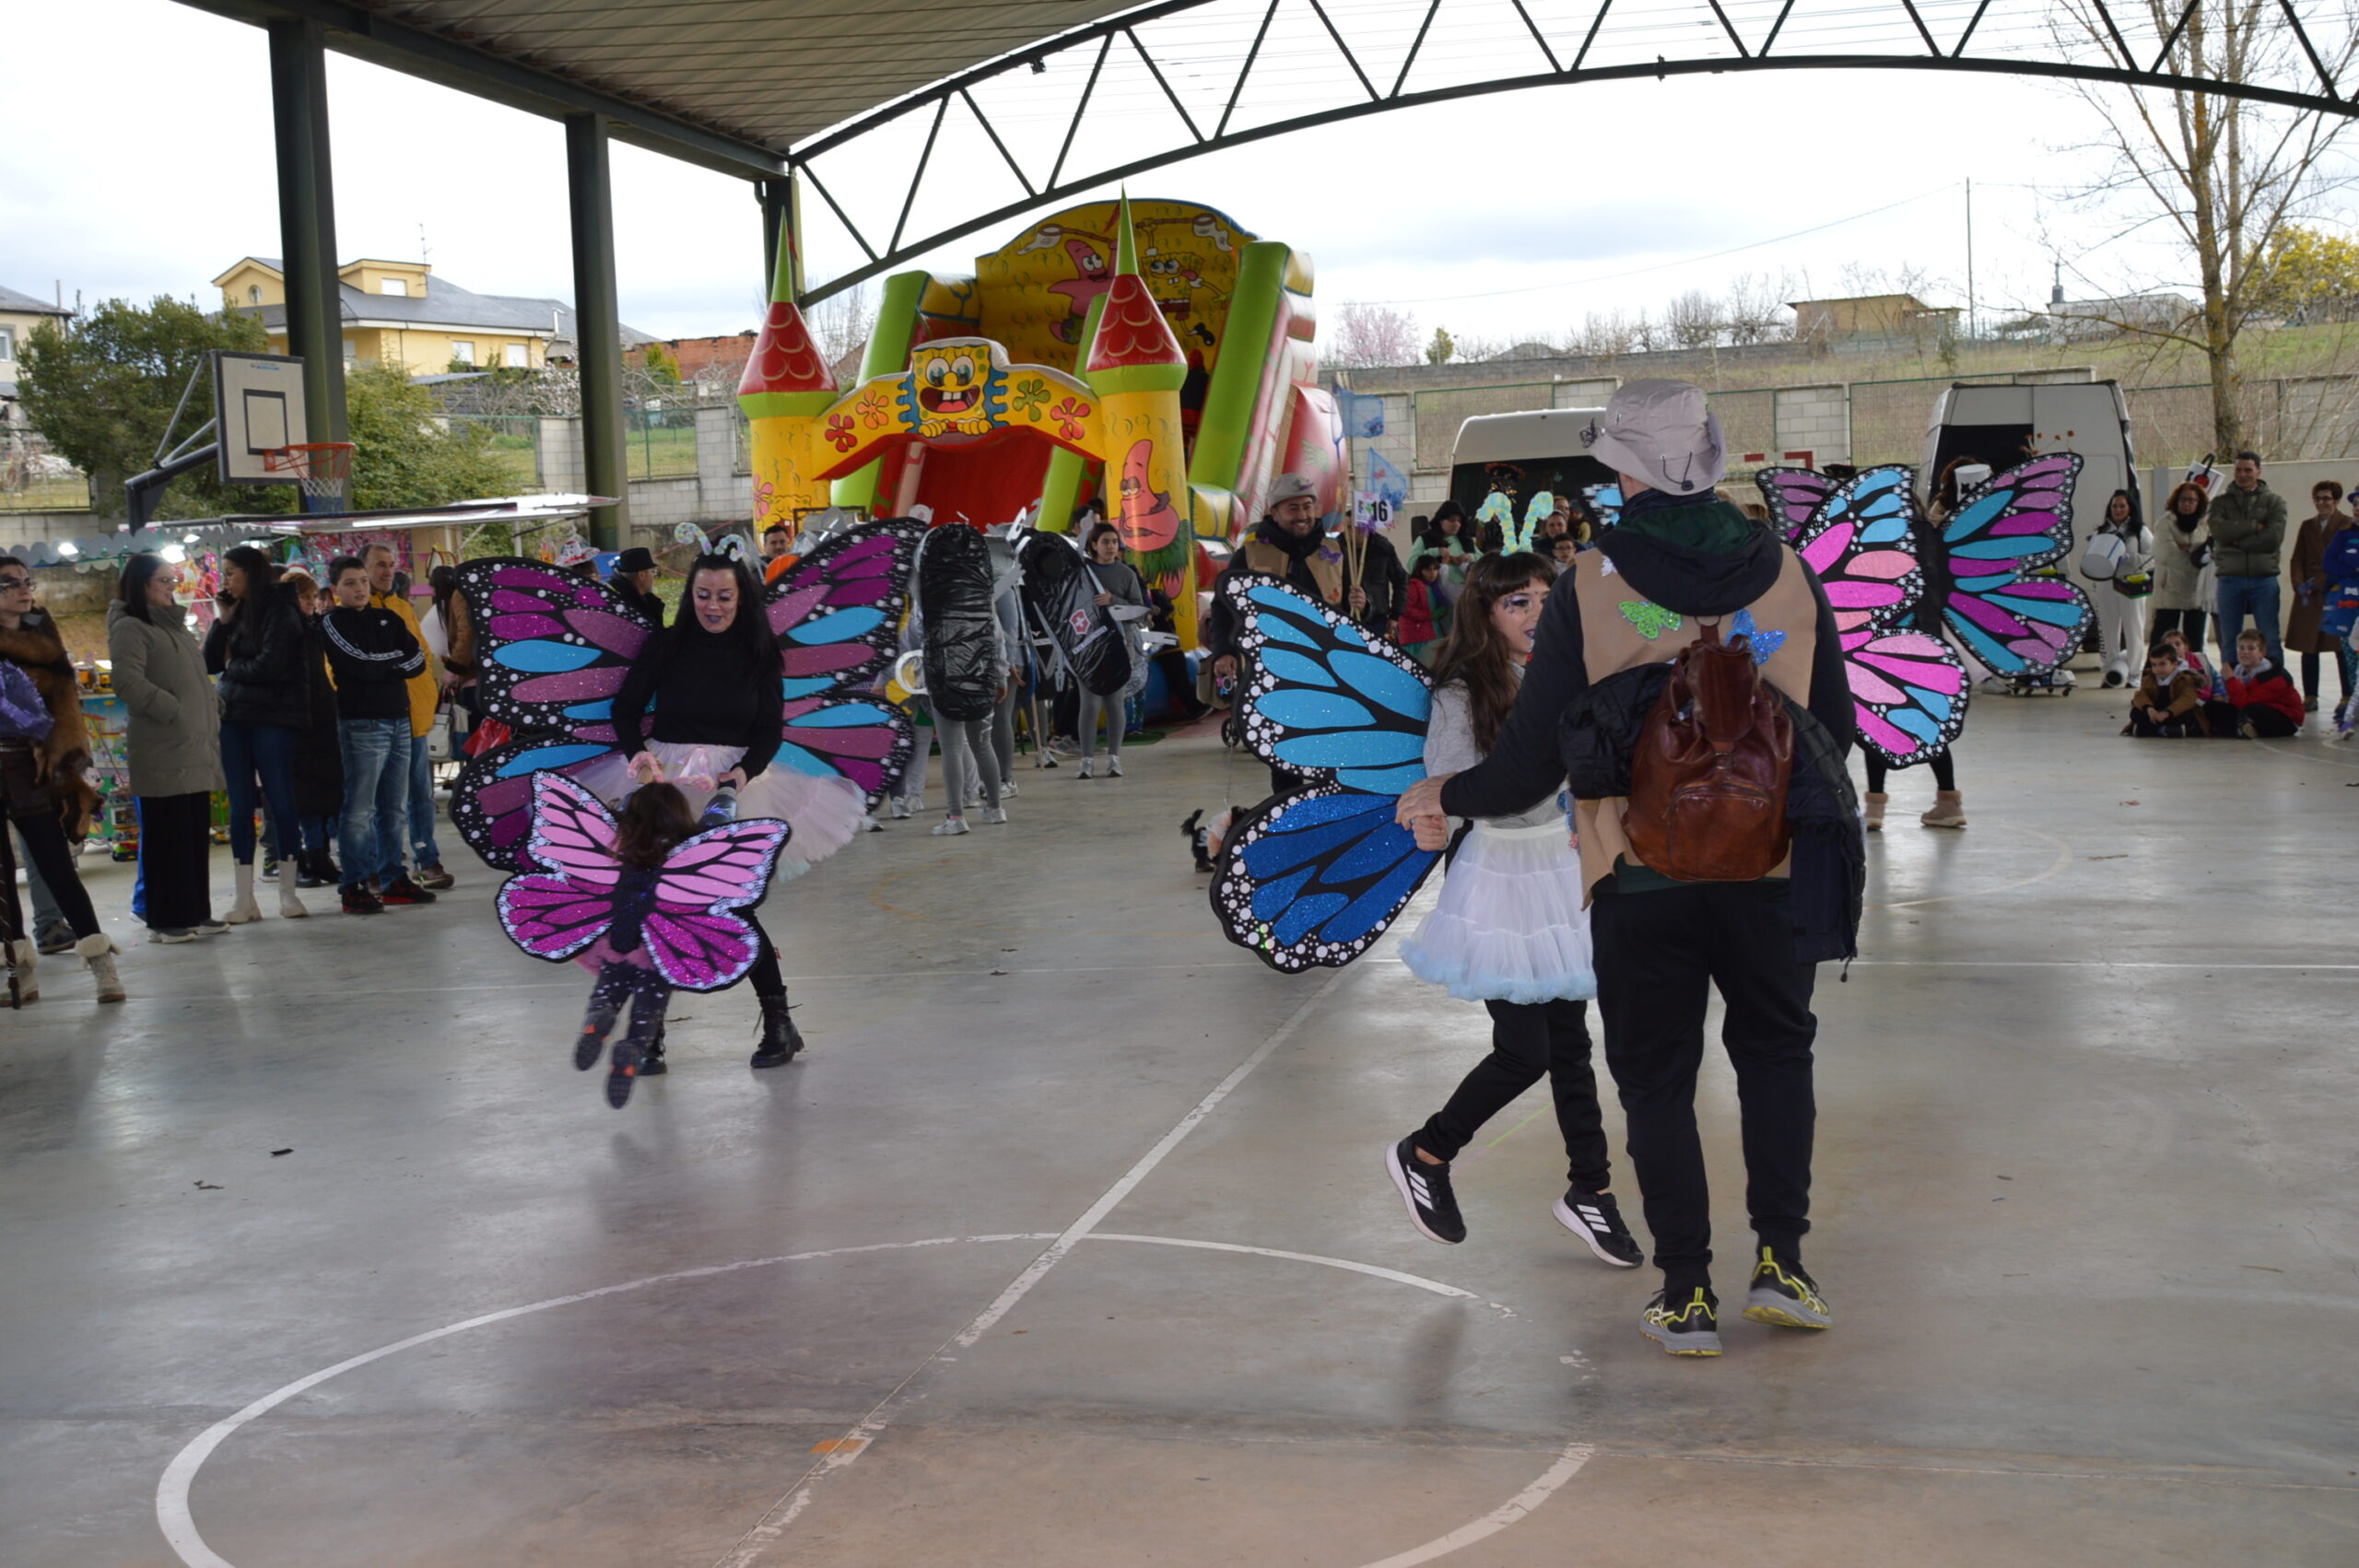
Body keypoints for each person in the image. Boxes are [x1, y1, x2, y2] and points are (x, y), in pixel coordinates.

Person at [1396, 380, 1855, 1359]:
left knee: (1656, 1078)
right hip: (1772, 870)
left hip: (1638, 874)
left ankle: (1686, 1290)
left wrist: (1445, 797)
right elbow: (1840, 736)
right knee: (1777, 1056)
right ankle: (1783, 1261)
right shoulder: (1790, 572)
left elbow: (1529, 762)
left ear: (1624, 467)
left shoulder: (1591, 582)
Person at [1384, 551, 1641, 1269]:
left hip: (1564, 870)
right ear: (1486, 615)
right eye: (1515, 603)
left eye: (1543, 600)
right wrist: (1428, 819)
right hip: (1498, 879)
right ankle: (1427, 1151)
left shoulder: (1576, 668)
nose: (1532, 615)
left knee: (1570, 1046)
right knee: (1524, 1050)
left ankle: (1591, 1189)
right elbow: (1443, 787)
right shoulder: (1462, 694)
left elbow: (1653, 632)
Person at [602, 553, 867, 1066]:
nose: (713, 605)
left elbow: (769, 729)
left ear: (741, 597)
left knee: (733, 908)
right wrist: (637, 752)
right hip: (669, 785)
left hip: (736, 789)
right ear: (689, 595)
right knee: (659, 908)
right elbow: (626, 708)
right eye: (703, 595)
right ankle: (649, 1030)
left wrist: (741, 774)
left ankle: (780, 1024)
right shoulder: (666, 644)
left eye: (724, 596)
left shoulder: (759, 652)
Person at [0, 557, 117, 1000]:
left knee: (57, 867)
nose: (21, 590)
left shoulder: (43, 638)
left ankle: (102, 964)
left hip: (34, 767)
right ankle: (19, 975)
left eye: (25, 581)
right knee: (2, 881)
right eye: (8, 584)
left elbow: (63, 706)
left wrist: (65, 764)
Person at [1205, 473, 1359, 791]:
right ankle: (1289, 819)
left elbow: (1353, 610)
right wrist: (1224, 650)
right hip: (1274, 672)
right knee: (1285, 755)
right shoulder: (1250, 554)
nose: (1302, 515)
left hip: (1330, 670)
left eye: (1307, 506)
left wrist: (1365, 603)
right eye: (1292, 508)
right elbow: (1222, 606)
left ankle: (1327, 816)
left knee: (1330, 751)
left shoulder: (1336, 552)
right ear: (1274, 512)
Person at [109, 553, 228, 945]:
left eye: (173, 581)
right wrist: (173, 710)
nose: (172, 588)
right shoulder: (131, 628)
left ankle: (196, 911)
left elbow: (191, 679)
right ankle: (165, 918)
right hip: (163, 751)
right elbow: (126, 681)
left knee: (194, 835)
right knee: (166, 839)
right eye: (164, 581)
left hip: (193, 748)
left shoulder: (175, 627)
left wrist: (210, 704)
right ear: (141, 585)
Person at [572, 780, 705, 1109]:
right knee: (649, 1008)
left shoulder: (619, 849)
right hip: (661, 949)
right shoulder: (685, 854)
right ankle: (633, 1046)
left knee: (609, 989)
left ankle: (599, 1016)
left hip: (618, 941)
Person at [203, 544, 311, 923]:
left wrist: (234, 667)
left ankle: (288, 894)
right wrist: (223, 621)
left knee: (280, 802)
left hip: (275, 717)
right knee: (240, 804)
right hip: (235, 718)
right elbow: (210, 662)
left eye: (231, 571)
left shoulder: (282, 608)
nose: (226, 579)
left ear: (251, 571)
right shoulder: (237, 612)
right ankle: (244, 898)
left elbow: (271, 665)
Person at [323, 556, 434, 915]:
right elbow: (356, 663)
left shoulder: (390, 617)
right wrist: (392, 664)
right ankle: (354, 883)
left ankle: (393, 879)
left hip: (400, 720)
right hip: (362, 725)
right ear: (336, 589)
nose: (359, 589)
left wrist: (384, 665)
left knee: (394, 807)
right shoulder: (331, 623)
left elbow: (417, 658)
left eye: (362, 582)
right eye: (351, 583)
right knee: (359, 809)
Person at [362, 544, 453, 891]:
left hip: (413, 718)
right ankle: (376, 865)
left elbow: (421, 657)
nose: (386, 571)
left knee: (420, 795)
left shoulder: (403, 608)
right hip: (374, 722)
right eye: (379, 566)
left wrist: (425, 700)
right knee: (378, 801)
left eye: (390, 565)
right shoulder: (353, 612)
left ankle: (426, 860)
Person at [280, 569, 344, 889]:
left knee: (324, 792)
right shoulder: (281, 631)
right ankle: (306, 858)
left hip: (321, 718)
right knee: (301, 798)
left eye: (312, 597)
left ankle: (321, 855)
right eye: (303, 598)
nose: (310, 603)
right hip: (293, 722)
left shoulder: (315, 628)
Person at [1077, 521, 1145, 779]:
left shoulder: (1126, 574)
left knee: (1115, 702)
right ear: (1093, 545)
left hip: (1120, 643)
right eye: (1105, 542)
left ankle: (1114, 758)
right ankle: (1086, 760)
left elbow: (1138, 610)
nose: (1111, 547)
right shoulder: (1081, 573)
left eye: (1114, 542)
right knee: (1090, 704)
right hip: (1087, 644)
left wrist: (1113, 601)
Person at [2208, 452, 2287, 665]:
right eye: (2238, 470)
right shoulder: (2219, 503)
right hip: (2229, 579)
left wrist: (2236, 541)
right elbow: (2219, 532)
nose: (2242, 475)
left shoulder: (2274, 502)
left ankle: (2273, 686)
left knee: (2269, 637)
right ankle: (2232, 689)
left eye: (2248, 470)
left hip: (2264, 580)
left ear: (2259, 471)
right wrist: (2253, 527)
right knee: (2229, 639)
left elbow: (2273, 539)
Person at [2286, 481, 2353, 713]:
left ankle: (2347, 695)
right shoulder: (2307, 526)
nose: (2322, 502)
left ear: (2336, 500)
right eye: (2318, 498)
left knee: (2340, 646)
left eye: (2326, 498)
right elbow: (2297, 558)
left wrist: (2322, 582)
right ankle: (2311, 695)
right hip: (2309, 595)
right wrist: (2299, 584)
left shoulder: (2347, 525)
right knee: (2309, 645)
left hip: (2336, 591)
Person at [2085, 489, 2152, 688]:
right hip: (2106, 585)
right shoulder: (2101, 531)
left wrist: (2130, 560)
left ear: (2130, 507)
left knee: (2134, 629)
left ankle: (2134, 674)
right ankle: (2110, 672)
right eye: (2115, 505)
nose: (2118, 509)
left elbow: (2152, 557)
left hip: (2132, 585)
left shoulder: (2140, 531)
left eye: (2122, 505)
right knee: (2107, 629)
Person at [2149, 481, 2212, 652]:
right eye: (2183, 499)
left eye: (2192, 500)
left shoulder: (2205, 525)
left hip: (2196, 592)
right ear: (2176, 501)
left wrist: (2186, 548)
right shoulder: (2164, 524)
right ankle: (2151, 677)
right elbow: (2167, 555)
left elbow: (2210, 553)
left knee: (2194, 646)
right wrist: (2196, 558)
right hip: (2168, 591)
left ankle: (2195, 678)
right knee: (2161, 643)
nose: (2187, 504)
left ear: (2199, 503)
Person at [2212, 627, 2305, 738]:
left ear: (2262, 653)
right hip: (2249, 710)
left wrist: (2231, 680)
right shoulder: (2237, 670)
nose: (2245, 652)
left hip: (2286, 719)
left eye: (2251, 648)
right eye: (2241, 648)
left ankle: (2239, 729)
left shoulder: (2274, 676)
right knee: (2213, 707)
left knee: (2252, 709)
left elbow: (2245, 702)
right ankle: (2242, 728)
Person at [2125, 643, 2209, 736]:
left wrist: (2168, 712)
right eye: (2154, 665)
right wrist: (2150, 709)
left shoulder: (2184, 679)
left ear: (2174, 664)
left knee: (2189, 714)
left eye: (2162, 664)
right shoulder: (2149, 678)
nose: (2158, 669)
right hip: (2155, 712)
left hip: (2174, 713)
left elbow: (2187, 699)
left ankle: (2152, 729)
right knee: (2135, 712)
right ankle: (2165, 730)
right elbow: (2141, 695)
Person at [1397, 554, 1446, 665]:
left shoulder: (1434, 587)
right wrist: (1430, 615)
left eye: (1435, 569)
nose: (1432, 573)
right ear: (1420, 570)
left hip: (1432, 632)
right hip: (1416, 637)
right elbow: (1407, 609)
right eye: (1428, 570)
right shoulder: (1413, 585)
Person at [607, 546, 666, 627]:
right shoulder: (625, 607)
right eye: (653, 572)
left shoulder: (642, 600)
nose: (654, 576)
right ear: (641, 575)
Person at [761, 521, 798, 585]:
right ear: (765, 546)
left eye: (782, 542)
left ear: (788, 542)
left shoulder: (798, 565)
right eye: (773, 543)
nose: (779, 547)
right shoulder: (758, 573)